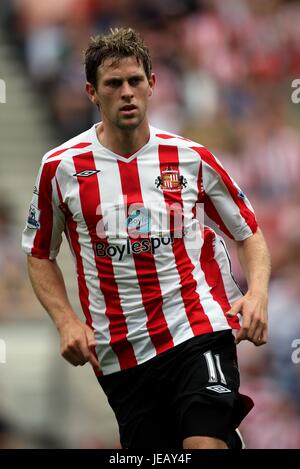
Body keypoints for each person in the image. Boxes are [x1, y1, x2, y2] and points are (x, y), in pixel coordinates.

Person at [22, 28, 271, 449]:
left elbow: (249, 232)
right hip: (120, 350)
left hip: (196, 325)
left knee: (202, 446)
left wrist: (258, 293)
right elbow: (39, 253)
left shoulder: (189, 157)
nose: (127, 92)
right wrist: (65, 321)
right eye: (113, 84)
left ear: (152, 84)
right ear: (91, 93)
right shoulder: (60, 167)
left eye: (135, 80)